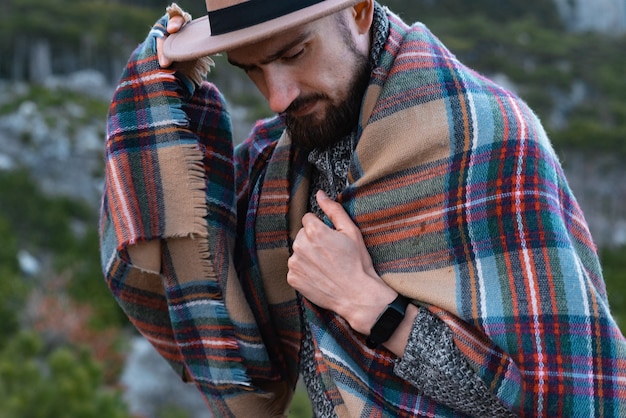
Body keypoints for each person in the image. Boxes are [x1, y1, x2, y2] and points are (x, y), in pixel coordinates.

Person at [100, 1, 626, 416]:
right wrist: (159, 101)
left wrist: (374, 307)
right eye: (252, 70)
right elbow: (201, 287)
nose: (277, 96)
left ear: (358, 11)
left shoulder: (490, 140)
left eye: (294, 52)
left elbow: (576, 402)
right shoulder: (284, 158)